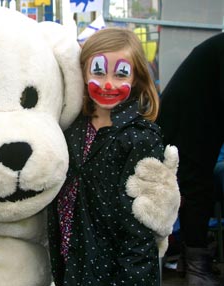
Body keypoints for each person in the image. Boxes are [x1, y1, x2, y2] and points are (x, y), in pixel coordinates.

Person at [48, 27, 165, 285]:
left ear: (135, 79)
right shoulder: (73, 128)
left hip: (117, 270)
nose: (108, 83)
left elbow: (141, 226)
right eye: (98, 71)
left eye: (120, 73)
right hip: (71, 260)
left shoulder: (141, 138)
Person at [156, 32, 224, 286]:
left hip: (192, 121)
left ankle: (192, 262)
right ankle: (197, 269)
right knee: (195, 188)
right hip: (189, 125)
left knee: (194, 187)